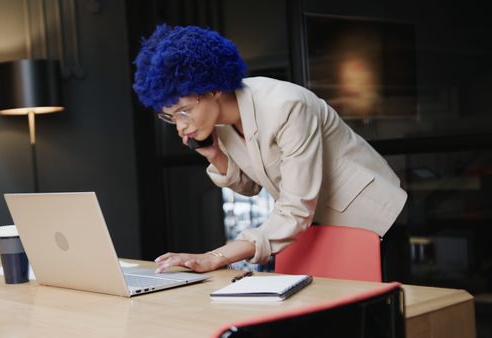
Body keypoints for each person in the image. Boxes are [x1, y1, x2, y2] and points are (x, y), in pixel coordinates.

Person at [132, 24, 407, 273]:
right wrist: (214, 154)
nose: (180, 127)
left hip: (370, 222)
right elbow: (251, 187)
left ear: (213, 89)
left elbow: (296, 208)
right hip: (315, 226)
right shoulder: (222, 123)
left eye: (184, 111)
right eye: (170, 117)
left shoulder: (287, 107)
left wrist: (216, 256)